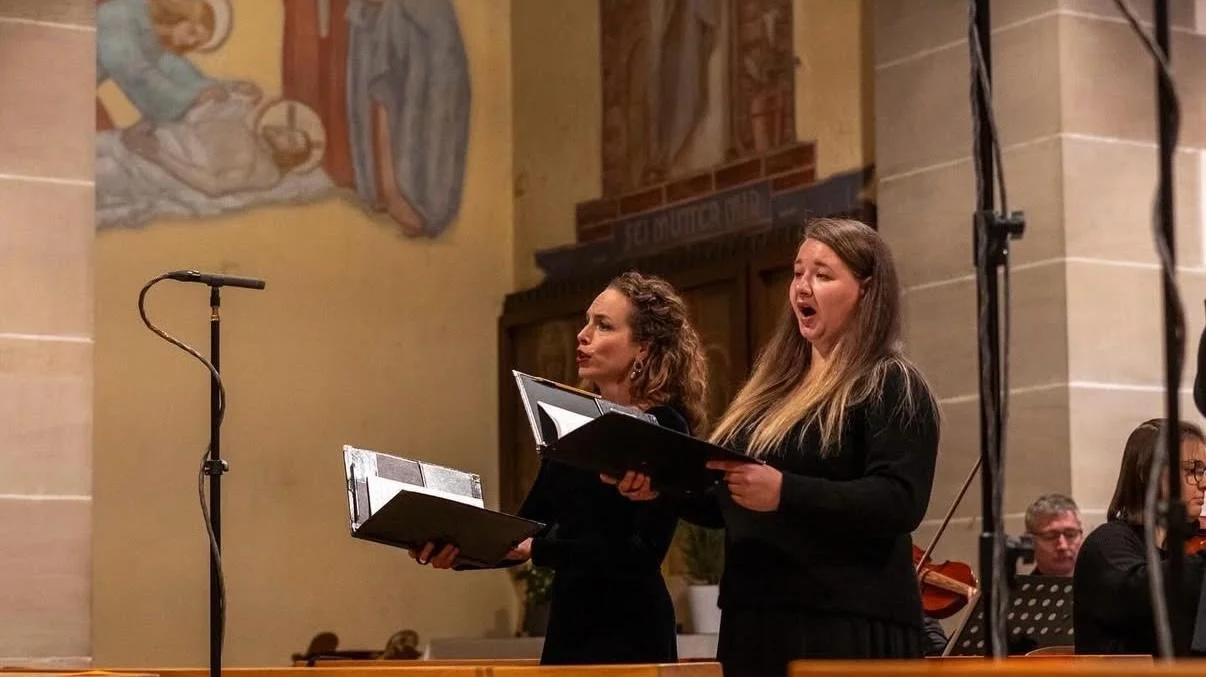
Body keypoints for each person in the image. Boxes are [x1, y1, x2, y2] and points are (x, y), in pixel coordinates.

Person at [612, 218, 940, 676]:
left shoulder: (889, 381)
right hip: (756, 616)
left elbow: (899, 500)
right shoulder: (773, 388)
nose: (803, 287)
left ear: (866, 289)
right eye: (798, 271)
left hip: (842, 621)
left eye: (823, 275)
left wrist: (785, 492)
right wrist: (662, 485)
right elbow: (722, 497)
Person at [411, 271, 710, 665]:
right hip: (569, 625)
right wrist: (452, 544)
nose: (582, 335)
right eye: (587, 321)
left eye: (603, 325)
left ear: (644, 348)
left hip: (631, 629)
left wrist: (539, 548)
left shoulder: (664, 425)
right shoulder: (570, 427)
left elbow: (638, 554)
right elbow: (524, 531)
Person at [1073, 419, 1206, 655]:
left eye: (1203, 470)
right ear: (1149, 475)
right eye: (1191, 470)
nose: (1203, 483)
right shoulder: (1107, 544)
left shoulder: (1191, 543)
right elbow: (1144, 592)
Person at [1024, 493, 1083, 577]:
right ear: (1030, 541)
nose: (1063, 546)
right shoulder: (1016, 590)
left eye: (1070, 535)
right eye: (1050, 536)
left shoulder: (1101, 587)